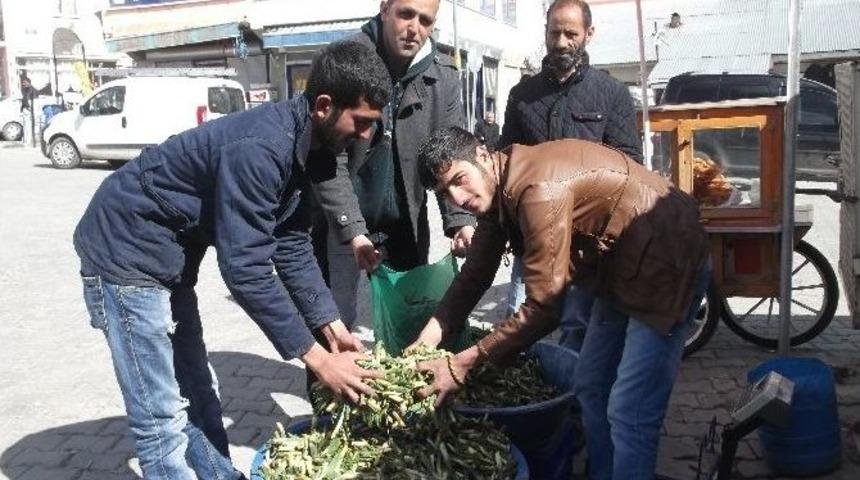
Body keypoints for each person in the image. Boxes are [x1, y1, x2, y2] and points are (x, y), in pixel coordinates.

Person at [73, 41, 390, 480]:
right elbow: (246, 269)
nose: (367, 135)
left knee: (198, 391)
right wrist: (318, 360)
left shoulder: (312, 146)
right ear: (323, 106)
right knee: (161, 417)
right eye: (362, 121)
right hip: (125, 249)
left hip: (168, 256)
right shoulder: (262, 148)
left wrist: (332, 327)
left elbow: (290, 242)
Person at [411, 127, 711, 480]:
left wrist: (463, 362)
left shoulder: (537, 191)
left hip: (668, 259)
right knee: (591, 387)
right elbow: (474, 275)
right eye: (444, 193)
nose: (457, 198)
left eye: (459, 180)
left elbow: (545, 307)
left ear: (481, 154)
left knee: (630, 411)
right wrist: (427, 339)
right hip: (619, 268)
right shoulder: (498, 189)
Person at [311, 0, 475, 333]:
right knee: (333, 321)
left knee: (409, 320)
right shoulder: (342, 60)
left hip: (405, 221)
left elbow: (449, 156)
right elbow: (326, 155)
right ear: (385, 8)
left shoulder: (443, 75)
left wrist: (461, 220)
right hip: (340, 219)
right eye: (406, 14)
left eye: (425, 20)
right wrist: (352, 229)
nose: (414, 29)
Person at [499, 0, 643, 352]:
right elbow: (505, 162)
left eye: (571, 34)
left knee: (576, 329)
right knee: (518, 325)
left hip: (585, 245)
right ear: (545, 33)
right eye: (554, 33)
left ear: (589, 34)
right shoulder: (522, 96)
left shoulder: (612, 95)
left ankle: (571, 383)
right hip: (530, 235)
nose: (561, 42)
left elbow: (629, 165)